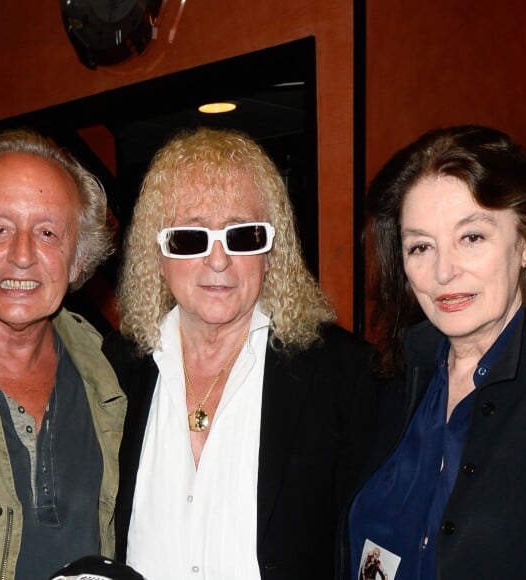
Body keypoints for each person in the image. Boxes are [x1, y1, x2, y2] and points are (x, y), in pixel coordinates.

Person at [102, 127, 378, 580]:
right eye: (190, 237)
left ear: (273, 251)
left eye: (243, 235)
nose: (218, 261)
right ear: (158, 253)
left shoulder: (344, 375)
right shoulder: (114, 367)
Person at [341, 125, 526, 580]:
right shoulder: (395, 374)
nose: (444, 271)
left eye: (473, 237)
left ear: (522, 244)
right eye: (421, 246)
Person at [0, 129, 126, 579]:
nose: (22, 255)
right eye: (0, 229)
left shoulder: (112, 377)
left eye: (47, 232)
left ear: (78, 257)